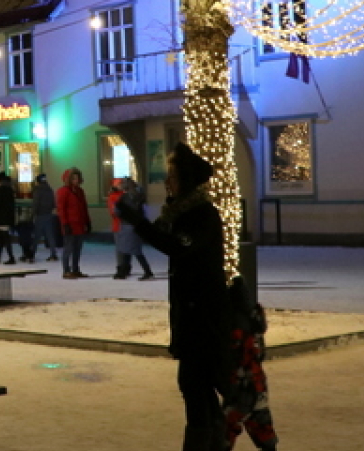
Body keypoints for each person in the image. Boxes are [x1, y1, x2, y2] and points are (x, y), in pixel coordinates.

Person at [116, 143, 229, 451]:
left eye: (173, 177)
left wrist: (138, 223)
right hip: (190, 310)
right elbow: (168, 239)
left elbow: (176, 246)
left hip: (203, 312)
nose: (168, 182)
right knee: (196, 384)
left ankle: (206, 442)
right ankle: (212, 440)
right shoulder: (182, 212)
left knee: (195, 382)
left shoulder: (201, 214)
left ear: (186, 180)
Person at [222, 278, 278, 451]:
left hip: (242, 386)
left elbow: (235, 357)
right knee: (262, 425)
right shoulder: (255, 324)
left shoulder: (236, 328)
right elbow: (259, 355)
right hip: (258, 382)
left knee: (225, 430)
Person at [111, 177, 155, 280]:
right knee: (131, 249)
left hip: (127, 225)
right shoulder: (139, 197)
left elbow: (117, 210)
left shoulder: (125, 197)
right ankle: (124, 271)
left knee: (132, 250)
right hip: (136, 225)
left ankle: (147, 271)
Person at [57, 167, 91, 279]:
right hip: (70, 225)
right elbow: (61, 209)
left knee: (77, 249)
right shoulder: (63, 192)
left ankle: (75, 269)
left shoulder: (80, 191)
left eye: (77, 178)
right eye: (74, 178)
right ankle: (66, 270)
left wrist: (87, 221)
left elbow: (84, 208)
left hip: (79, 225)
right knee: (68, 249)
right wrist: (65, 224)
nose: (76, 180)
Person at [30, 172, 58, 262]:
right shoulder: (50, 189)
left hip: (40, 215)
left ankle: (32, 254)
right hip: (49, 214)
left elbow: (36, 203)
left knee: (36, 236)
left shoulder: (38, 190)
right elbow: (54, 204)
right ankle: (53, 254)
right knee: (50, 235)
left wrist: (32, 214)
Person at [0, 172, 17, 264]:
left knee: (4, 237)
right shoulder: (10, 189)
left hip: (1, 217)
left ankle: (10, 257)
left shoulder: (1, 189)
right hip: (8, 217)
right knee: (3, 237)